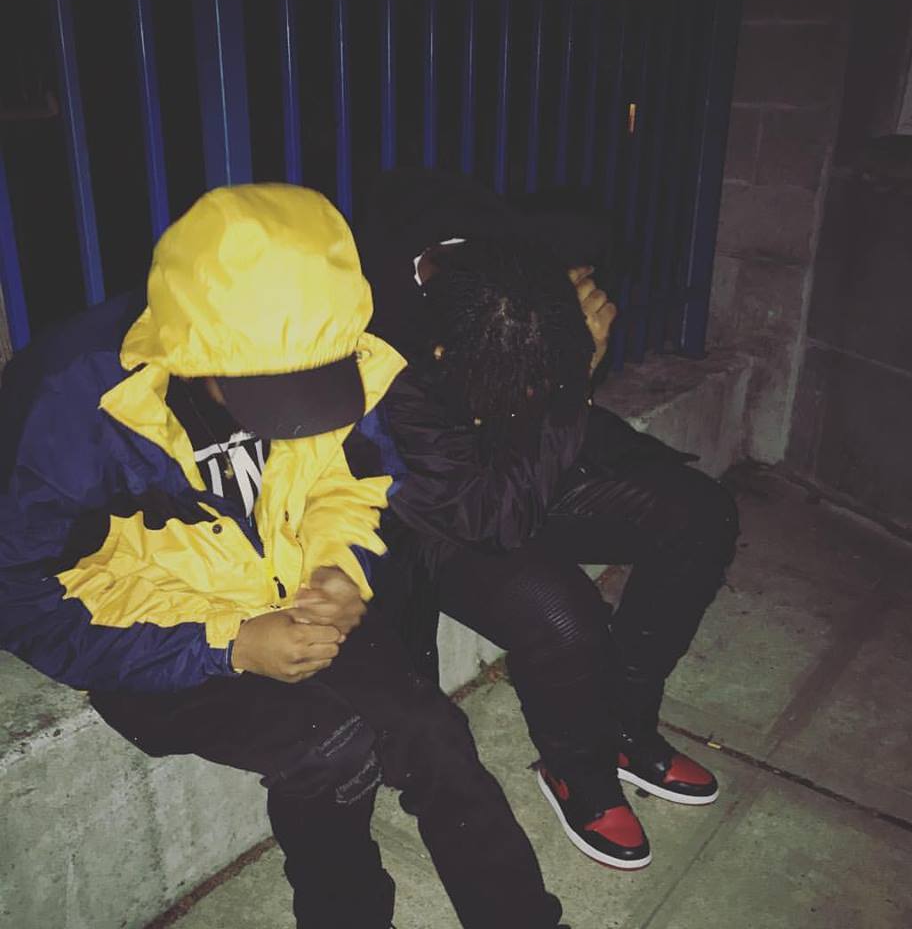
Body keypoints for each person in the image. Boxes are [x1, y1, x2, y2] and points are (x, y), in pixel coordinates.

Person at [0, 184, 569, 929]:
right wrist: (228, 646)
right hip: (157, 638)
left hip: (292, 599)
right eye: (271, 392)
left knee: (433, 732)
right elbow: (20, 599)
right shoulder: (67, 404)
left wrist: (342, 568)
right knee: (331, 751)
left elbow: (352, 480)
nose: (294, 414)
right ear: (196, 349)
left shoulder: (335, 348)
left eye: (313, 385)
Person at [359, 170, 740, 871]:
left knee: (699, 514)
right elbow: (492, 516)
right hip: (435, 509)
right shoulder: (383, 347)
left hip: (519, 460)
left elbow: (539, 413)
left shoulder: (514, 260)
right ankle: (577, 770)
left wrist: (566, 355)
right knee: (562, 613)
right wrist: (573, 376)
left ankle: (625, 725)